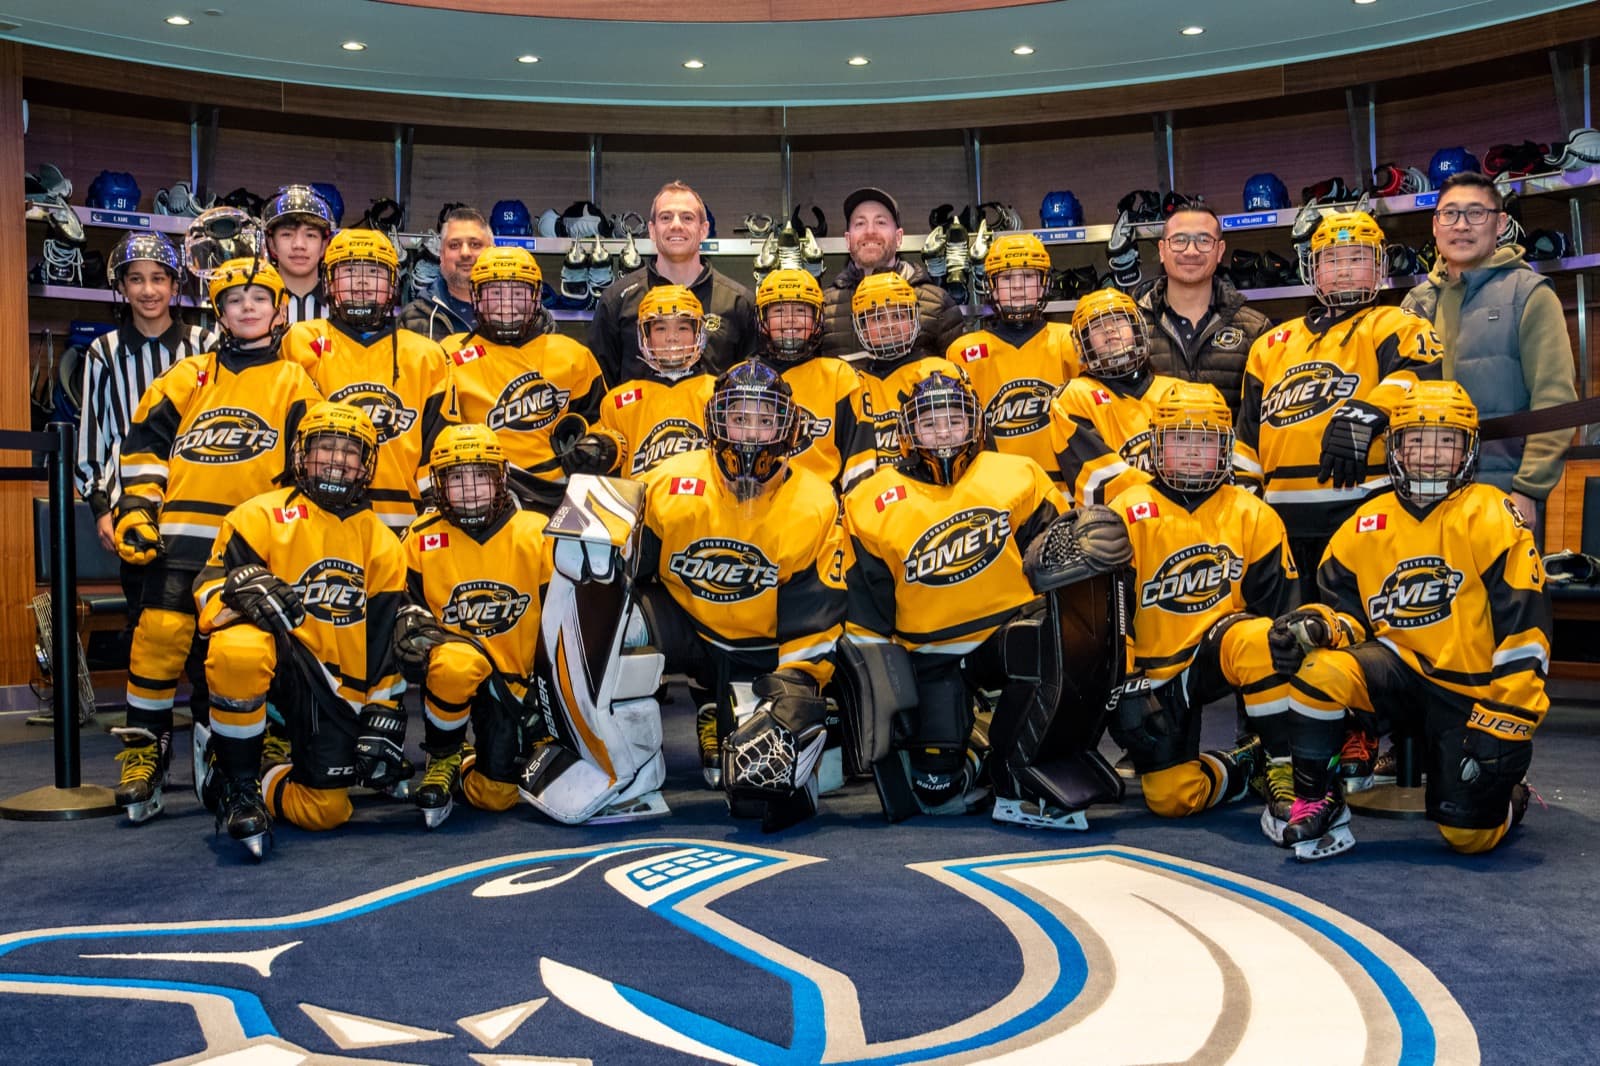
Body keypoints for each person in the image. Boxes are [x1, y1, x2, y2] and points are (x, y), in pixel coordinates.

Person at [1265, 380, 1548, 861]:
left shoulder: (1493, 515)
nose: (1431, 455)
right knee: (1318, 670)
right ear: (1394, 447)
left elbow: (1526, 634)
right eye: (1416, 440)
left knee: (1468, 838)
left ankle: (1510, 794)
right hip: (1397, 672)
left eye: (1446, 441)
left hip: (1471, 692)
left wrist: (1509, 719)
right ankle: (1318, 800)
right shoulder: (1363, 523)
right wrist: (1316, 625)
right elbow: (1349, 618)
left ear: (1468, 448)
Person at [843, 363, 1108, 828]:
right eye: (929, 422)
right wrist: (884, 703)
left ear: (975, 422)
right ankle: (980, 741)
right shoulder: (869, 500)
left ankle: (1013, 757)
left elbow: (1060, 568)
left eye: (954, 419)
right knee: (934, 790)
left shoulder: (1018, 473)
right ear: (907, 431)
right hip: (931, 656)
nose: (943, 433)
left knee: (1050, 642)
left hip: (1008, 639)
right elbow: (869, 613)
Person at [108, 258, 320, 824]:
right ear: (217, 311)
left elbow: (307, 465)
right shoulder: (189, 375)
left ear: (279, 310)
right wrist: (135, 510)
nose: (247, 307)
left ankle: (243, 760)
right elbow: (144, 446)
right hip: (179, 537)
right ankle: (143, 752)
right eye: (234, 299)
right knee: (159, 637)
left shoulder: (296, 380)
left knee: (242, 655)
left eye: (258, 298)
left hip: (249, 548)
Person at [634, 360, 847, 830]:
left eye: (765, 420)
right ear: (717, 420)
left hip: (761, 652)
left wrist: (799, 683)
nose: (751, 433)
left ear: (787, 427)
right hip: (688, 627)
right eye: (739, 417)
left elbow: (817, 613)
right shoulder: (667, 481)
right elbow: (621, 574)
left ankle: (726, 714)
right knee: (613, 624)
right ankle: (618, 763)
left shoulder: (815, 501)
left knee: (754, 793)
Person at [193, 402, 407, 858]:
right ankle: (237, 782)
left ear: (366, 464)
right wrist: (234, 593)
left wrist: (381, 712)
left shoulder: (384, 544)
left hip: (330, 687)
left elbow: (383, 643)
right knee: (238, 649)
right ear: (300, 455)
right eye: (325, 448)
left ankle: (264, 765)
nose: (335, 461)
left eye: (349, 452)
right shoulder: (256, 516)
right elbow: (207, 596)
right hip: (276, 667)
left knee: (324, 811)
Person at [1107, 380, 1296, 821]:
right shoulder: (1125, 512)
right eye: (1180, 439)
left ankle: (1287, 768)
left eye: (1205, 441)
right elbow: (1111, 618)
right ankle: (1246, 762)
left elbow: (1281, 620)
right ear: (1156, 444)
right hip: (1152, 676)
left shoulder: (1254, 514)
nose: (1192, 451)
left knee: (1262, 638)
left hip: (1219, 654)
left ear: (1225, 448)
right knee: (1172, 799)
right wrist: (1125, 685)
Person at [1235, 210, 1444, 605]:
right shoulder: (1271, 342)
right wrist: (1245, 498)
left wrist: (1364, 413)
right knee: (1288, 639)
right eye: (1332, 260)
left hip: (1365, 513)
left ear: (1379, 265)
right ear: (1311, 269)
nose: (1345, 271)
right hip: (1280, 523)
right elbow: (1247, 433)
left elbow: (1422, 376)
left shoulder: (1397, 324)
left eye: (1357, 259)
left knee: (1357, 632)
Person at [1402, 171, 1579, 532]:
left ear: (1499, 224)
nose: (1461, 225)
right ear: (1435, 226)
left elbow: (1555, 399)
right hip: (1421, 496)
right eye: (1450, 214)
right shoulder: (1415, 304)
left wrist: (1529, 489)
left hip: (1502, 495)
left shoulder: (1529, 294)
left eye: (1476, 213)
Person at [394, 424, 552, 827]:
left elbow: (562, 622)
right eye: (456, 478)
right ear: (438, 484)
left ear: (500, 477)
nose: (469, 489)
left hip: (520, 682)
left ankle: (468, 762)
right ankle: (443, 753)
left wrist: (548, 693)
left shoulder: (536, 532)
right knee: (455, 663)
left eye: (479, 475)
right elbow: (402, 614)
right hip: (458, 674)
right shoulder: (419, 537)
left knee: (497, 796)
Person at [77, 231, 210, 635]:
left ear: (175, 285)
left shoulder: (206, 344)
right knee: (148, 631)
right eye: (136, 279)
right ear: (120, 286)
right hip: (134, 509)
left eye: (158, 278)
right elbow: (93, 437)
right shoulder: (104, 351)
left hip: (200, 508)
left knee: (207, 636)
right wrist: (102, 509)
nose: (148, 290)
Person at [282, 227, 455, 536]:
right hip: (316, 518)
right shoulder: (301, 342)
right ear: (330, 282)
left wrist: (431, 515)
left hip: (401, 521)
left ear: (392, 285)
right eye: (349, 270)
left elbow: (438, 448)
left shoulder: (426, 356)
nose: (361, 282)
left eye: (374, 271)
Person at [439, 247, 606, 512]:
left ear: (536, 296)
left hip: (557, 498)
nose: (507, 303)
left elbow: (602, 422)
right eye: (495, 292)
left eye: (518, 292)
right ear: (476, 297)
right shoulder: (448, 355)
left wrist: (595, 446)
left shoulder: (572, 354)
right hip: (478, 499)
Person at [588, 180, 756, 386]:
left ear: (703, 230)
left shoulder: (738, 302)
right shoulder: (616, 301)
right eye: (666, 217)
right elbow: (601, 389)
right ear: (652, 230)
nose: (676, 225)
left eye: (687, 218)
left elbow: (750, 388)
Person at [946, 232, 1078, 481]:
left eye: (1028, 276)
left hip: (1061, 487)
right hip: (994, 488)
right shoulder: (962, 351)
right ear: (992, 287)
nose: (1018, 286)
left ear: (1044, 284)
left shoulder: (1070, 340)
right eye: (1007, 278)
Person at [568, 284, 717, 480]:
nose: (671, 337)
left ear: (698, 332)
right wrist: (599, 448)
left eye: (682, 327)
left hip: (704, 505)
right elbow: (611, 443)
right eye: (661, 328)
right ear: (645, 336)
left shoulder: (719, 394)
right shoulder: (618, 402)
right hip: (640, 505)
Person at [1048, 287, 1179, 506]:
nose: (1110, 330)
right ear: (1084, 343)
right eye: (1097, 326)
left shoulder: (1176, 390)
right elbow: (1100, 483)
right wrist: (1176, 498)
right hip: (1115, 527)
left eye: (1119, 321)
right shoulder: (1075, 397)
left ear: (1138, 330)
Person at [1138, 205, 1272, 417]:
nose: (1191, 251)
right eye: (1179, 240)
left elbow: (1263, 422)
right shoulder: (1132, 330)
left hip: (1231, 451)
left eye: (1204, 240)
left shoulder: (1255, 330)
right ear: (1162, 250)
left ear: (1220, 251)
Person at [753, 268, 876, 492]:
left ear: (818, 318)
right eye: (779, 310)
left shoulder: (840, 377)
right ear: (763, 320)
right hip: (756, 509)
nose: (789, 319)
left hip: (823, 509)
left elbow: (859, 461)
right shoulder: (742, 378)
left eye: (801, 310)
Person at [820, 187, 964, 359]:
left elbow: (960, 376)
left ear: (899, 237)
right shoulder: (825, 309)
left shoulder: (937, 303)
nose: (870, 231)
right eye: (860, 223)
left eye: (881, 222)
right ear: (847, 240)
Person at [849, 270, 966, 466]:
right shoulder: (849, 381)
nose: (889, 326)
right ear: (861, 326)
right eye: (877, 318)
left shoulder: (943, 372)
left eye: (898, 315)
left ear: (914, 319)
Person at [398, 206, 492, 340]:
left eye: (475, 244)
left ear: (492, 252)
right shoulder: (412, 319)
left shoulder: (518, 314)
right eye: (454, 245)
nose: (465, 253)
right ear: (441, 255)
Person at [263, 184, 334, 324]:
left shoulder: (340, 305)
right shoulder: (256, 306)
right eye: (287, 234)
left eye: (311, 235)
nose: (299, 245)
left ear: (324, 245)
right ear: (271, 244)